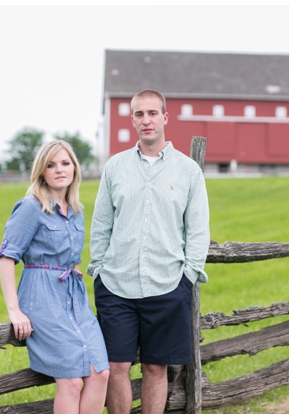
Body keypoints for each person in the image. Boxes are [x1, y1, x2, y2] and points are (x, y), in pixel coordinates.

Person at [88, 89, 210, 414]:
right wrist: (98, 270)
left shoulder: (188, 172)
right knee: (116, 367)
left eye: (152, 113)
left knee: (156, 368)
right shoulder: (115, 168)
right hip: (116, 285)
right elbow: (101, 225)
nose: (146, 120)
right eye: (139, 114)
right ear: (132, 120)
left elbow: (198, 231)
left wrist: (187, 277)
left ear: (165, 118)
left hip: (169, 284)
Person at [0, 140, 110, 414]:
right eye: (51, 165)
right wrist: (14, 311)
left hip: (74, 297)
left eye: (65, 163)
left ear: (74, 168)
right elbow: (6, 257)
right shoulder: (31, 207)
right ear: (42, 172)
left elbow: (65, 254)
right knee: (71, 381)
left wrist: (68, 266)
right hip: (42, 298)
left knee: (100, 373)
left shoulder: (76, 210)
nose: (59, 170)